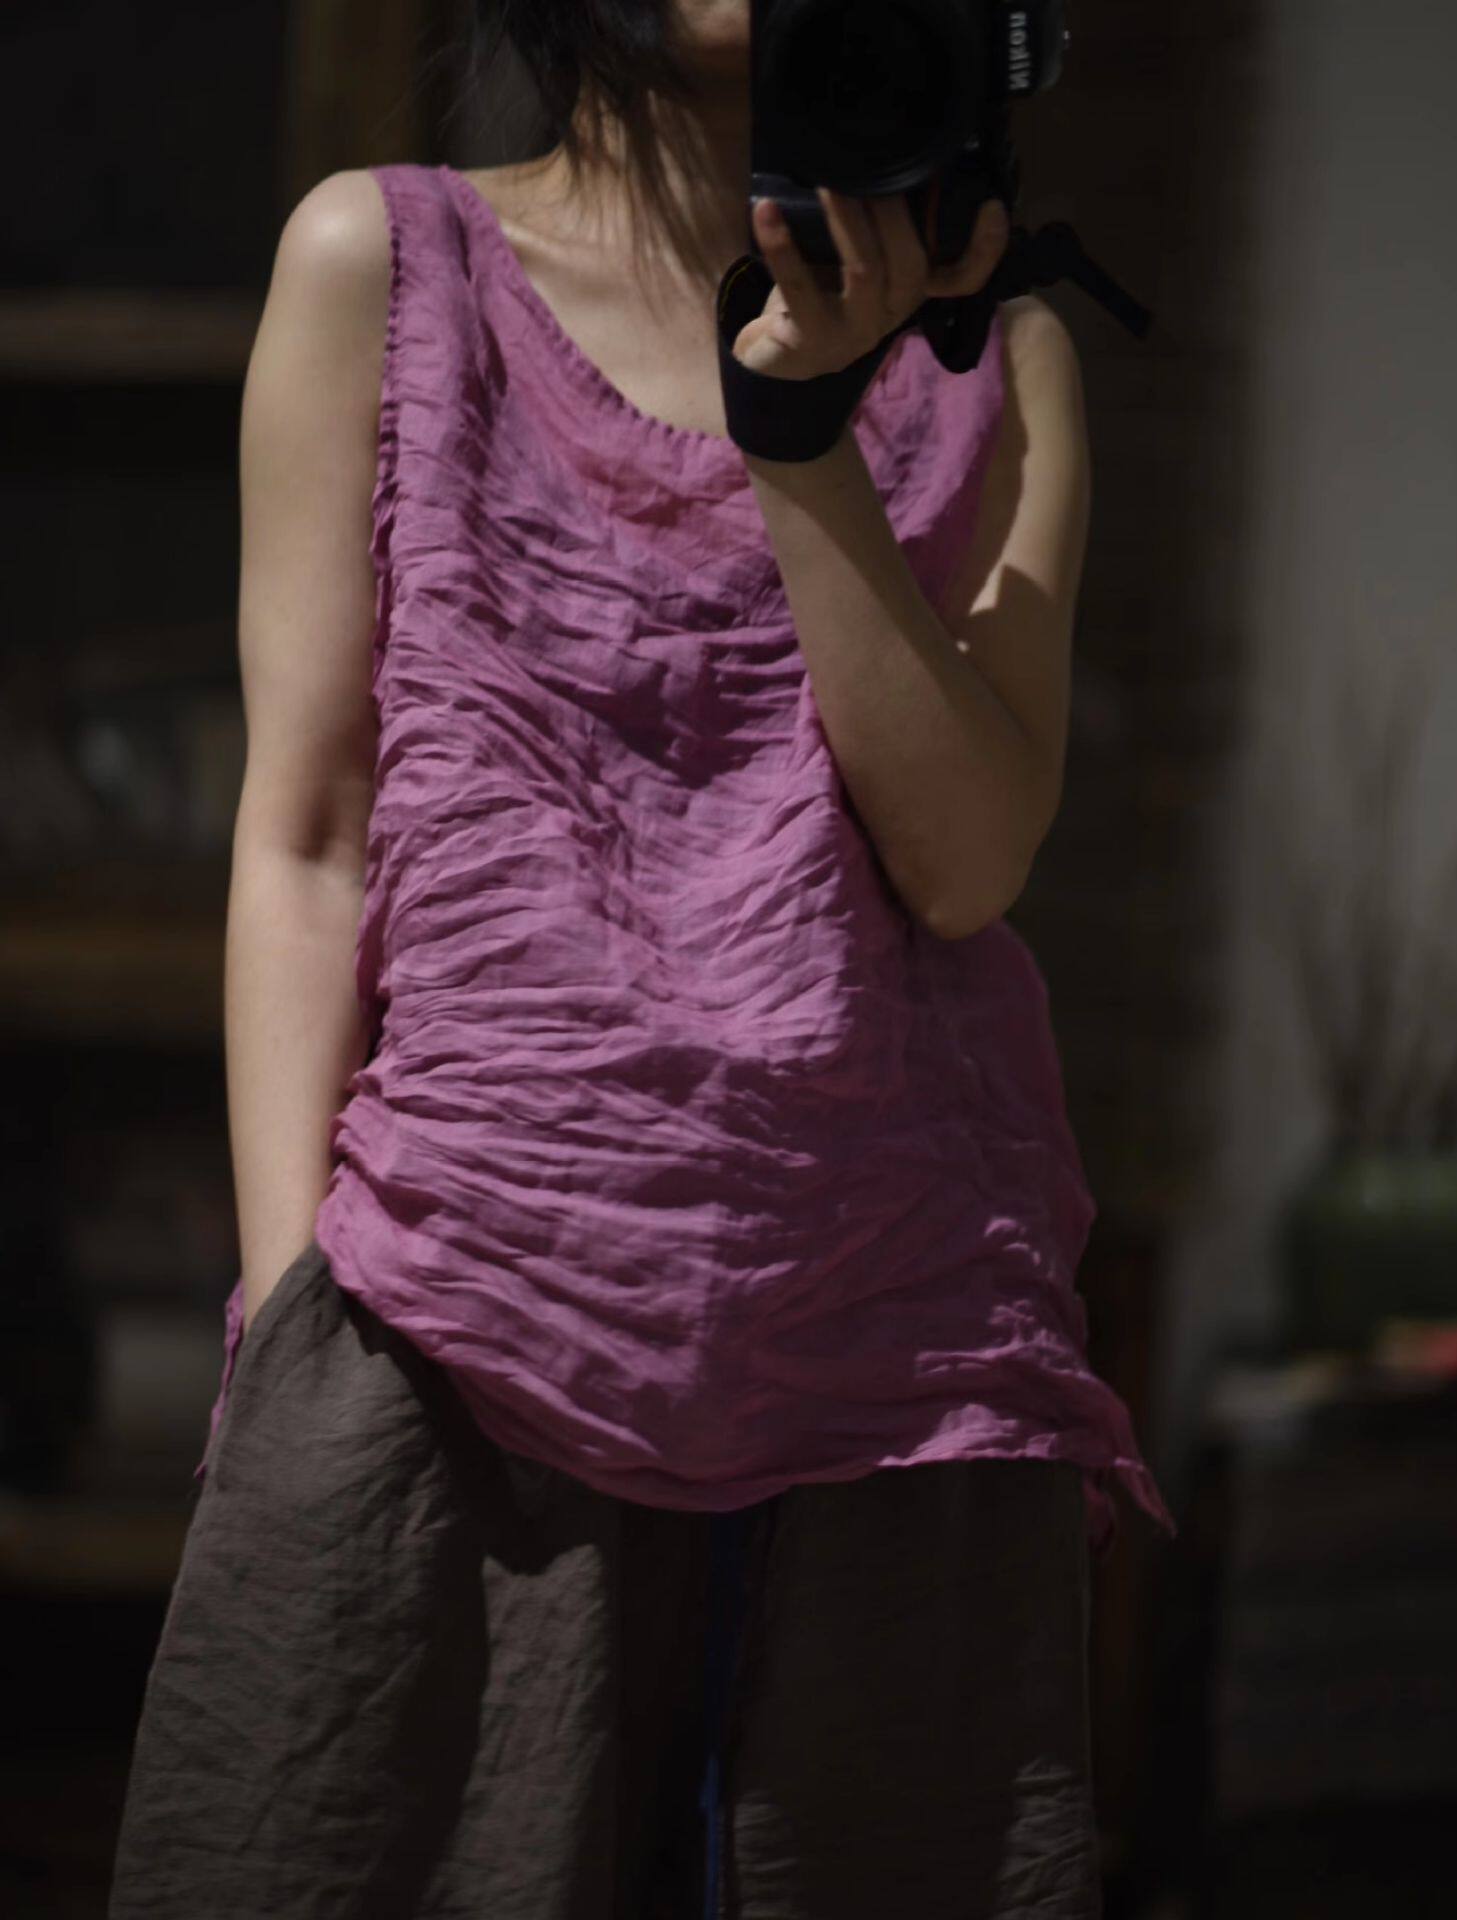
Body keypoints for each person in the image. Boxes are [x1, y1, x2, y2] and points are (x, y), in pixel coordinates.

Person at [108, 4, 1176, 1916]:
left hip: (899, 1372)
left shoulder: (997, 349)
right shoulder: (388, 261)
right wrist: (295, 1328)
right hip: (447, 1324)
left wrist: (801, 429)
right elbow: (307, 831)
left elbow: (964, 863)